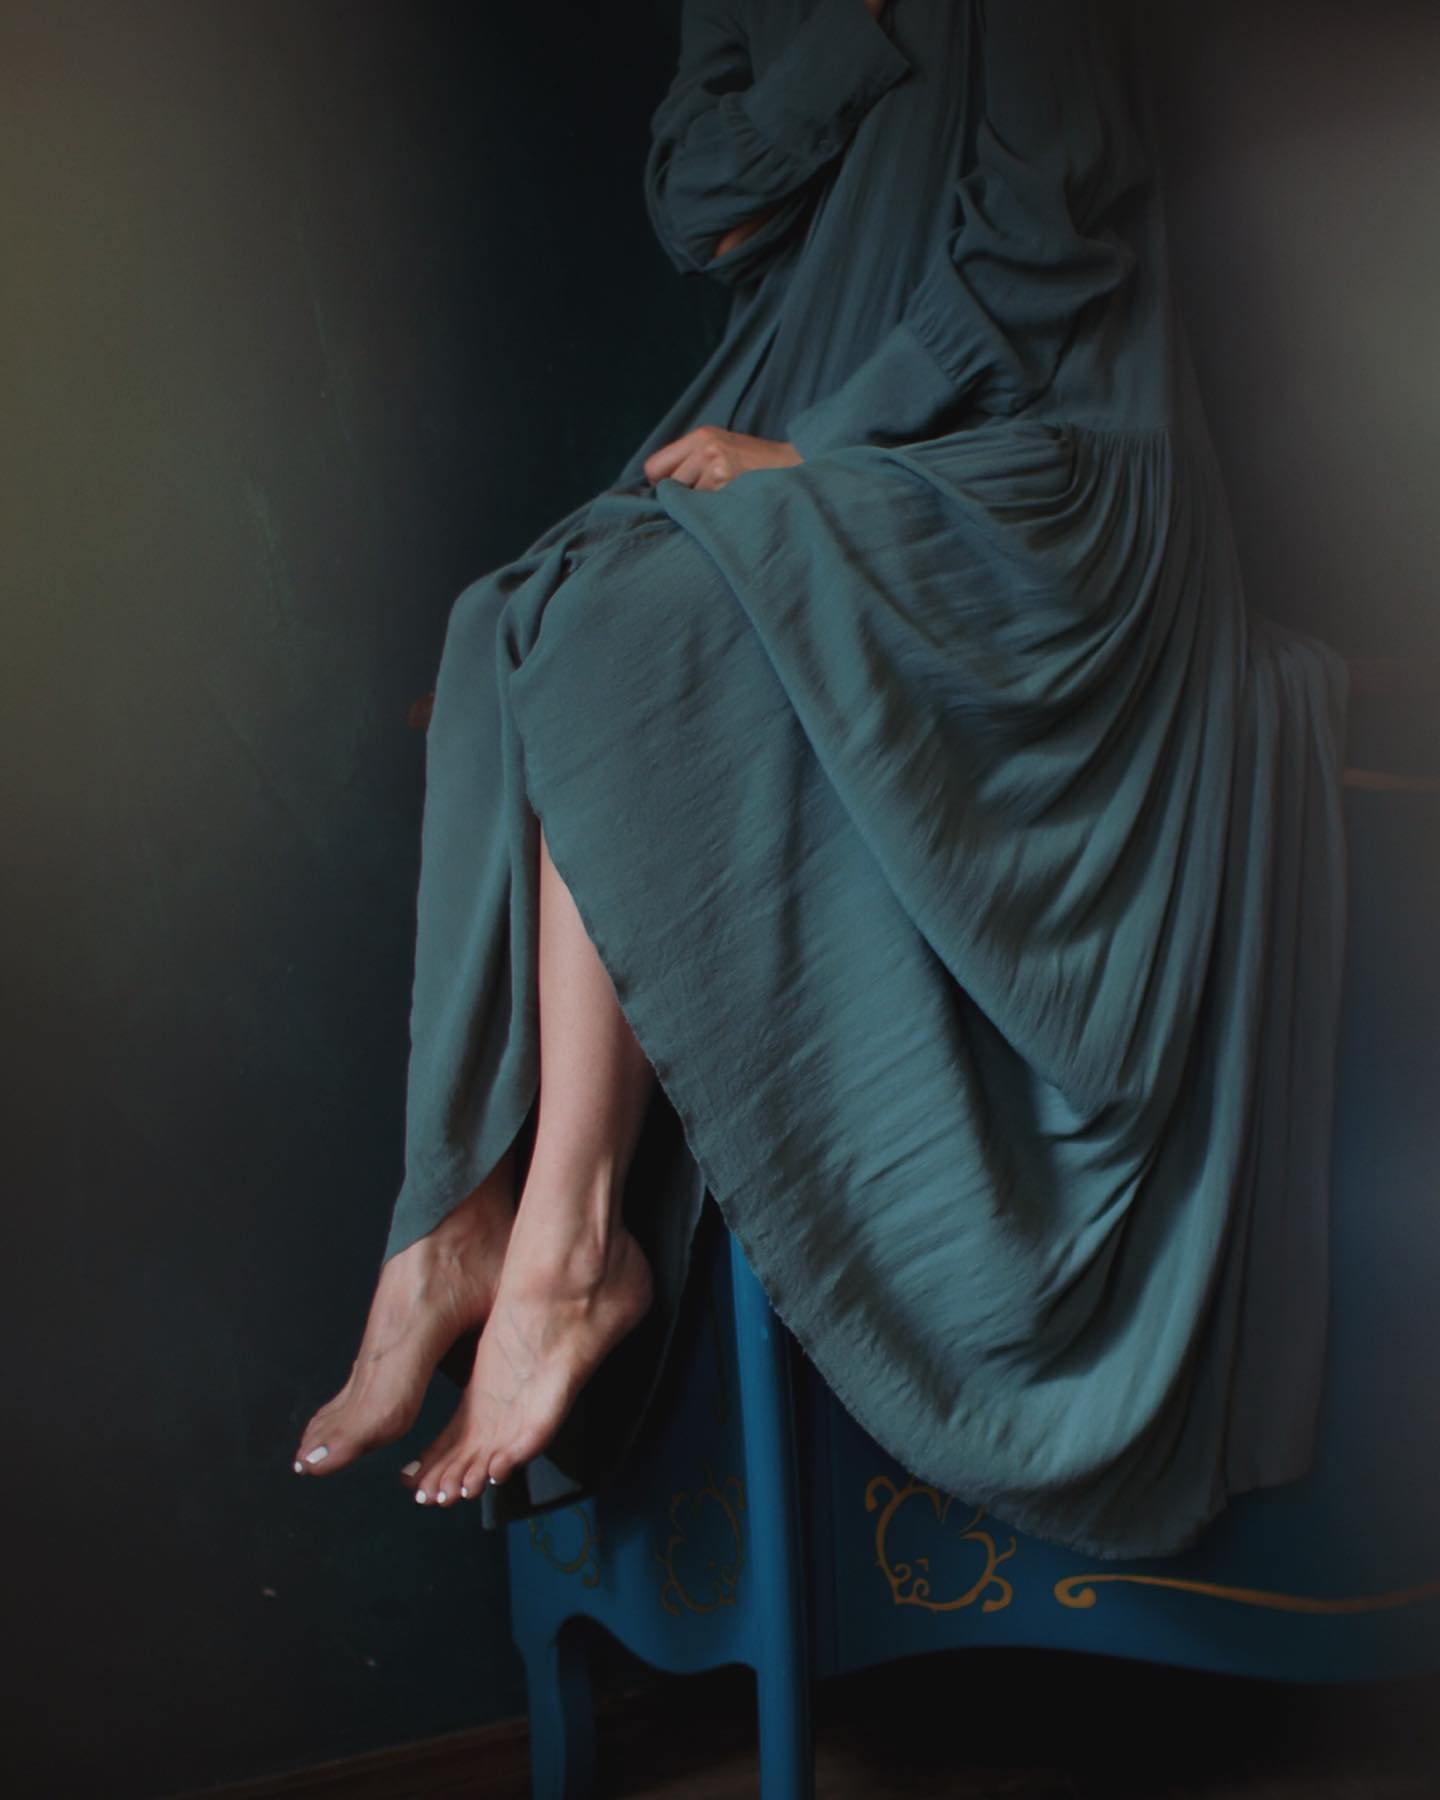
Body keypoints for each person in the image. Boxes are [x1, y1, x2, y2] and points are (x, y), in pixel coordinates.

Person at [293, 0, 1349, 1559]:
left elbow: (1051, 233)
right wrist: (854, 33)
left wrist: (831, 450)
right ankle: (458, 1215)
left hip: (1045, 445)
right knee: (512, 621)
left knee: (633, 632)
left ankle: (568, 1246)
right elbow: (700, 204)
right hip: (811, 424)